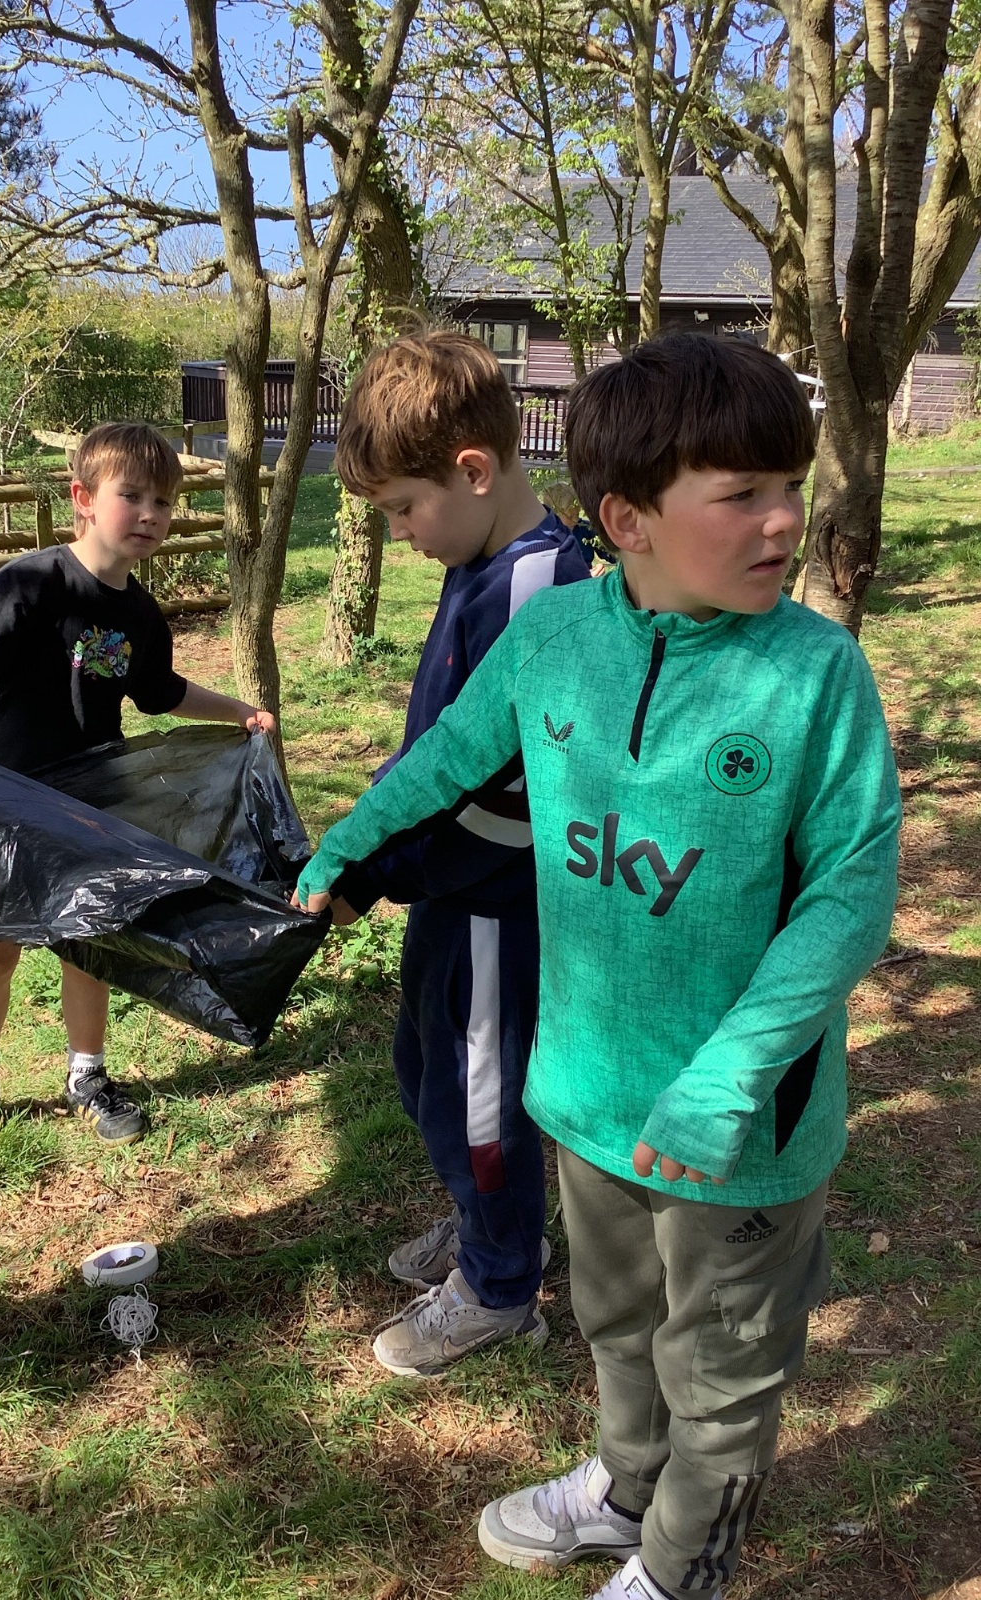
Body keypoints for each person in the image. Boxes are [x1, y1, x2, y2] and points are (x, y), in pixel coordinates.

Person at [296, 335, 901, 1600]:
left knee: (721, 1372)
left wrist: (730, 1079)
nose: (784, 519)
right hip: (584, 1093)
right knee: (618, 1323)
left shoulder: (818, 676)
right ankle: (628, 1493)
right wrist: (353, 840)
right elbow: (450, 756)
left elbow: (849, 897)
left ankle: (682, 1570)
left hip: (739, 1129)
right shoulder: (555, 636)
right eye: (741, 493)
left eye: (788, 486)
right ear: (627, 520)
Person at [0, 421, 276, 1148]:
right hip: (0, 805)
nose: (150, 514)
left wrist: (239, 712)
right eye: (132, 496)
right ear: (83, 498)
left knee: (89, 942)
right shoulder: (31, 584)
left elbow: (162, 694)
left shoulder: (140, 614)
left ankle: (87, 1075)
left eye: (163, 501)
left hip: (91, 806)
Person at [323, 331, 591, 1376]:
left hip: (497, 896)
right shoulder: (477, 561)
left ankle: (501, 1285)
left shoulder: (540, 587)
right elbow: (440, 745)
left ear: (474, 471)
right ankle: (482, 1219)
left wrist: (382, 869)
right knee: (427, 1064)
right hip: (444, 886)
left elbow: (510, 792)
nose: (400, 534)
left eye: (403, 510)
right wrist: (374, 837)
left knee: (482, 1094)